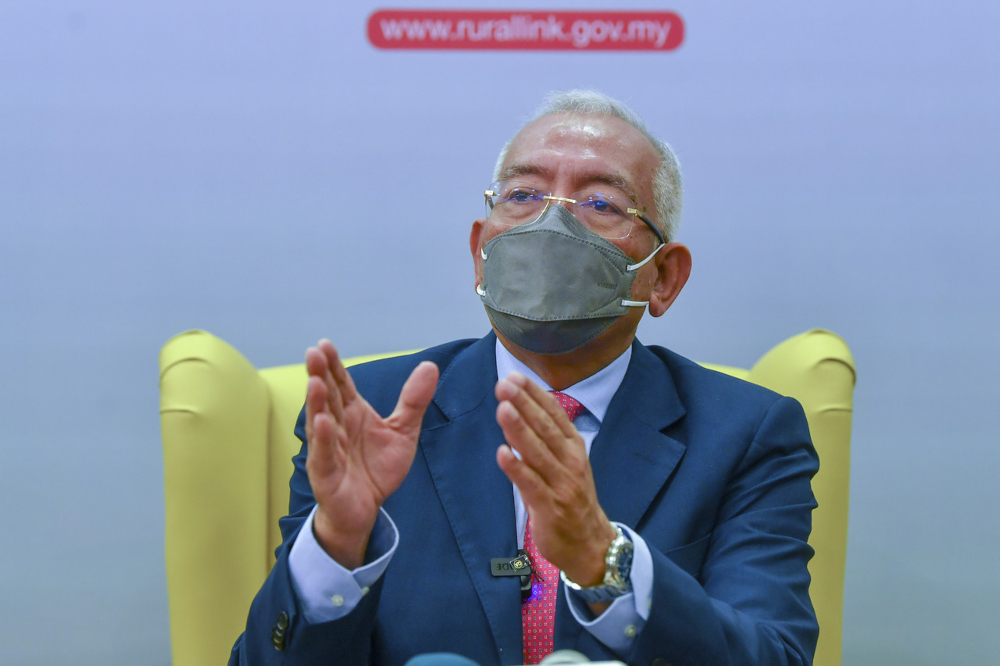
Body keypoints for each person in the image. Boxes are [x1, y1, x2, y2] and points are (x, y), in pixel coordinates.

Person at [229, 90, 819, 666]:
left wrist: (604, 558)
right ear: (480, 253)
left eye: (600, 203)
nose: (550, 224)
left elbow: (775, 654)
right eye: (522, 193)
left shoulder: (747, 435)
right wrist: (336, 547)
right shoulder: (370, 413)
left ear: (663, 276)